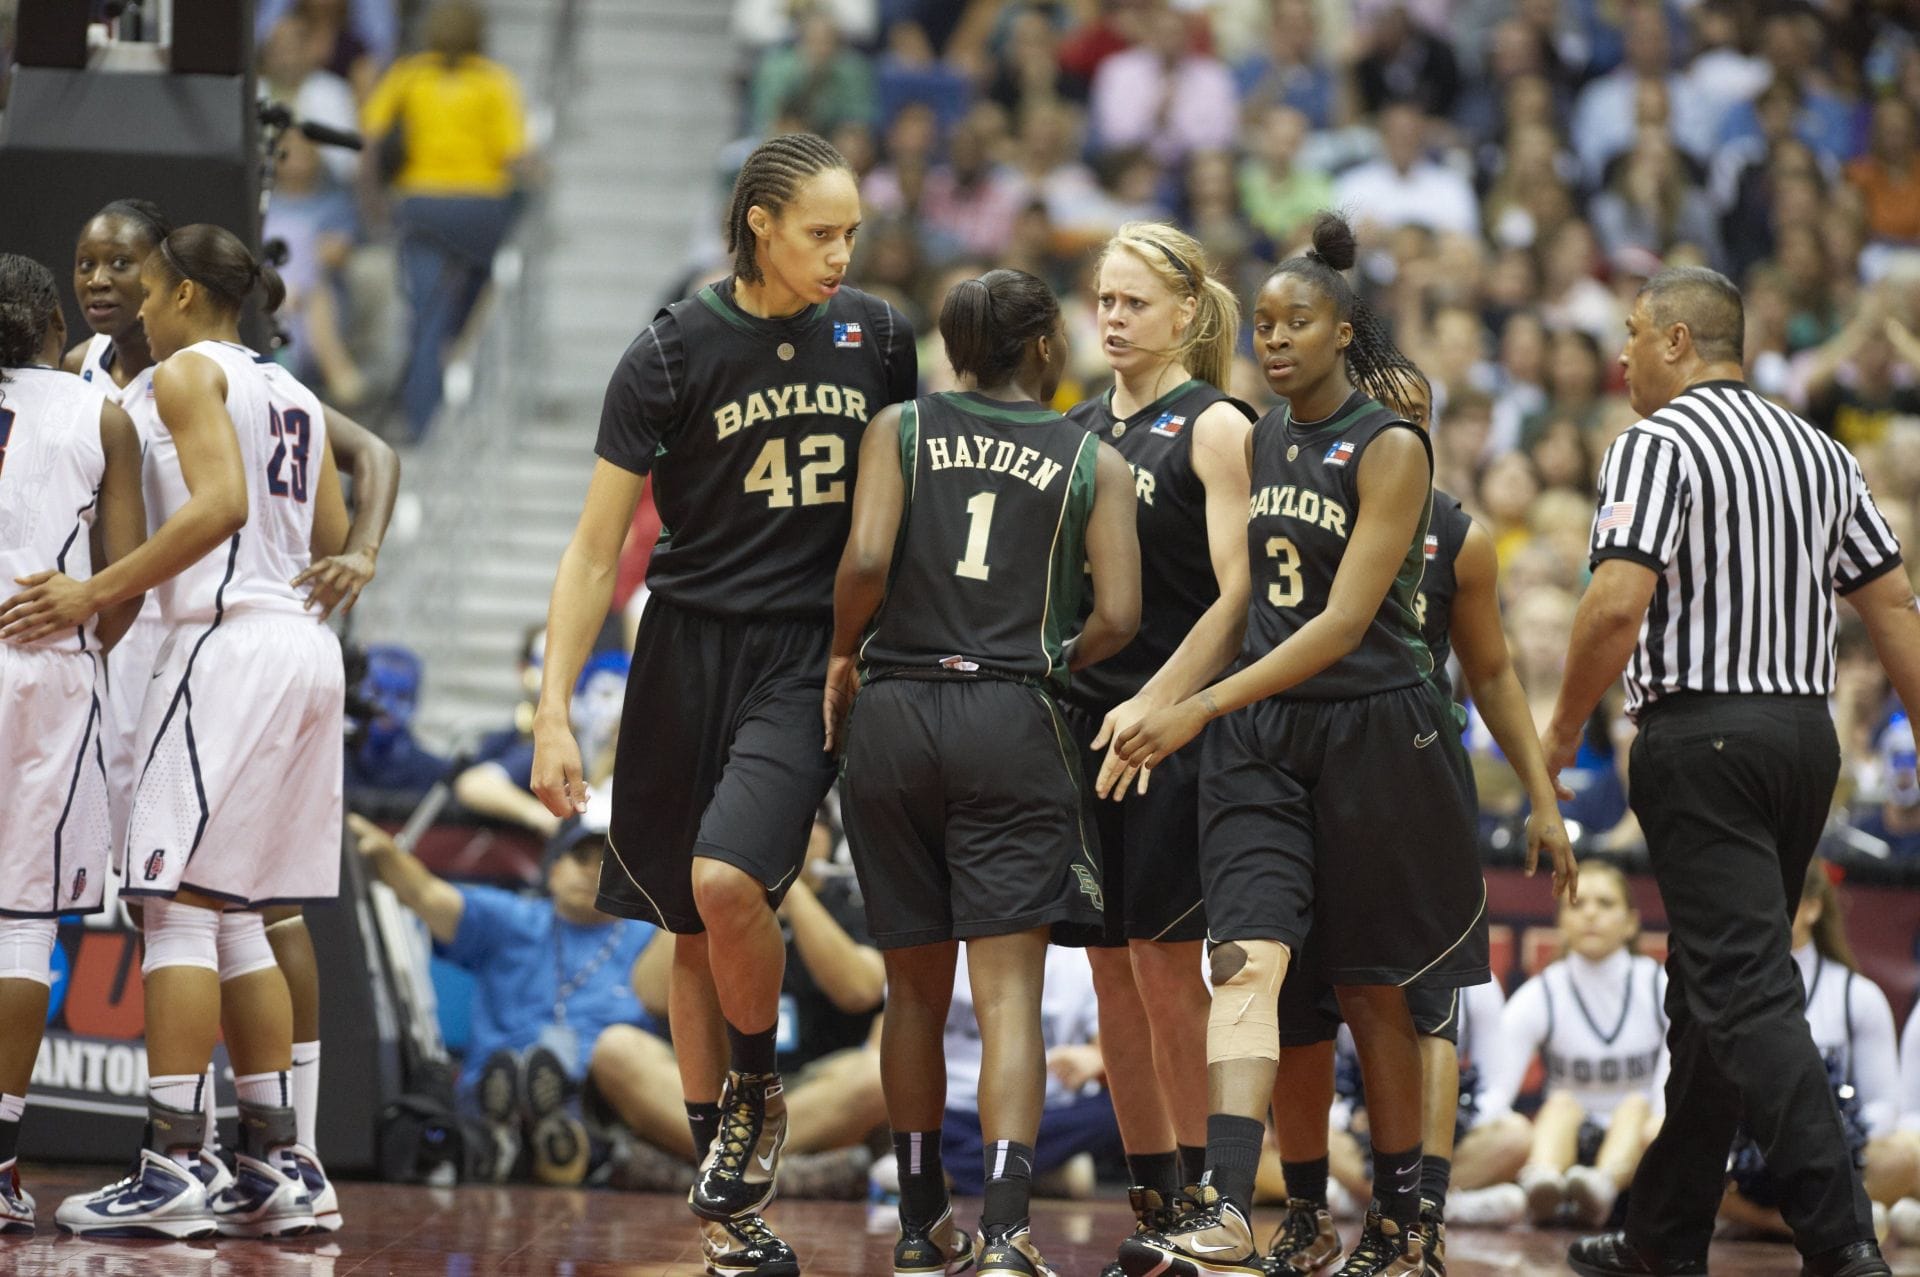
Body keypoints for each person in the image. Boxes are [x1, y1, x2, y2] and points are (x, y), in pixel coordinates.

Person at [1113, 212, 1568, 1277]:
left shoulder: (1398, 458)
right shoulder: (1261, 435)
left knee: (1381, 992)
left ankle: (1409, 1218)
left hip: (1379, 735)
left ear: (1344, 333)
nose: (1273, 339)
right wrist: (1164, 697)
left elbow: (1349, 626)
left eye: (1296, 323)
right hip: (1268, 737)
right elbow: (1244, 599)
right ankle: (1234, 1207)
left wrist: (1542, 793)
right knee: (1249, 960)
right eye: (1264, 324)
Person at [530, 131, 915, 1276]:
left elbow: (909, 507)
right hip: (683, 651)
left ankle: (757, 1086)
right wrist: (554, 708)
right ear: (760, 223)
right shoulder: (670, 350)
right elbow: (593, 549)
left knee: (727, 879)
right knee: (689, 932)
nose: (842, 254)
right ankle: (730, 1214)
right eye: (821, 233)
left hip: (809, 653)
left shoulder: (879, 337)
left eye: (852, 234)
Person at [1544, 265, 1910, 1277]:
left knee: (1743, 986)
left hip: (1702, 735)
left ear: (1677, 340)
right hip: (1803, 740)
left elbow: (1615, 603)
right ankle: (1664, 1236)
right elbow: (1892, 606)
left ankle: (1842, 1241)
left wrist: (1560, 732)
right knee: (1709, 990)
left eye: (1632, 333)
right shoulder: (1821, 450)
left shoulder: (1656, 443)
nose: (1620, 356)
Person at [1, 224, 352, 1240]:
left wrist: (96, 589)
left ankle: (171, 1163)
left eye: (149, 291)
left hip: (225, 643)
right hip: (302, 644)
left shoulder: (191, 371)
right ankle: (279, 1159)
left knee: (173, 902)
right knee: (239, 909)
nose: (138, 312)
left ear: (188, 294)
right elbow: (328, 536)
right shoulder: (295, 392)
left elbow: (223, 504)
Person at [826, 266, 1139, 1277]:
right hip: (1011, 712)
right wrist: (1054, 655)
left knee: (911, 992)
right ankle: (1005, 1231)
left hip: (896, 708)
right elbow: (1121, 615)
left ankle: (923, 1224)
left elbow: (864, 560)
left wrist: (842, 651)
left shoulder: (900, 428)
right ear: (1044, 345)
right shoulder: (1094, 457)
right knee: (1008, 997)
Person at [1265, 376, 1572, 1272]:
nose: (1399, 431)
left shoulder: (1459, 534)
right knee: (1295, 1003)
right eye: (1383, 414)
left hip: (1408, 774)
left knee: (1423, 1000)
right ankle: (1308, 1211)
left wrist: (1542, 795)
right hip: (1296, 764)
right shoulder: (1300, 502)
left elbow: (1494, 672)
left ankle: (1418, 1219)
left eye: (1416, 418)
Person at [1057, 221, 1255, 1271]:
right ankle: (1154, 1195)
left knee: (1166, 966)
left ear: (1185, 312)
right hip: (1085, 728)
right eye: (1104, 298)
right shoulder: (1077, 427)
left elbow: (1242, 595)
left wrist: (1164, 703)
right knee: (1108, 973)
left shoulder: (1216, 425)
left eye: (1134, 301)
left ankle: (1210, 1201)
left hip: (1175, 730)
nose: (1114, 317)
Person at [0, 253, 146, 1234]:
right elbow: (124, 582)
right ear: (55, 323)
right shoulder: (101, 413)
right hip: (41, 668)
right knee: (20, 925)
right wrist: (84, 630)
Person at [345, 800, 674, 1186]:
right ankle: (522, 1142)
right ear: (553, 870)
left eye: (607, 861)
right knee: (500, 1089)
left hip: (597, 1099)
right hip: (494, 1087)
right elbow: (425, 893)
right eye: (581, 857)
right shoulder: (513, 918)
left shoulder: (651, 937)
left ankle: (545, 1146)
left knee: (611, 1074)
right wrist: (373, 842)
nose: (592, 871)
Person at [1721, 858, 1915, 1240]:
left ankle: (1797, 1220)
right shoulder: (1726, 988)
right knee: (1672, 1150)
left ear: (1812, 907)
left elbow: (1885, 1104)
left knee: (1904, 1156)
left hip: (1834, 1158)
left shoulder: (1857, 995)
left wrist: (1832, 1135)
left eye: (1779, 898)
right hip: (1744, 1157)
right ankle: (1804, 1224)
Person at [360, 0, 527, 436]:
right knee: (474, 306)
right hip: (480, 210)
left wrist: (374, 200)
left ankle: (423, 423)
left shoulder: (408, 74)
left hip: (422, 206)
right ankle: (460, 366)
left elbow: (371, 139)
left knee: (426, 315)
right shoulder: (494, 81)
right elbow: (513, 155)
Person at [1479, 861, 1666, 1231]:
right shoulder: (1543, 992)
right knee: (1560, 1104)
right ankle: (1543, 1181)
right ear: (1561, 921)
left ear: (1631, 922)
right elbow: (1496, 1088)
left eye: (1605, 903)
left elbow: (1669, 1094)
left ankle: (1603, 1187)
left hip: (1639, 1154)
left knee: (1636, 1106)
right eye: (1577, 905)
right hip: (1567, 1150)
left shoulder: (1658, 984)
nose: (1591, 914)